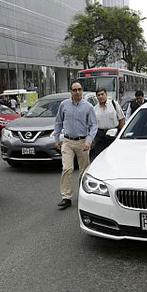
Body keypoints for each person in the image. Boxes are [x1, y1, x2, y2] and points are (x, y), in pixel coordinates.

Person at [54, 81, 97, 210]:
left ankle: (84, 195)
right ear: (71, 91)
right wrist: (56, 138)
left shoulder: (88, 107)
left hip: (82, 142)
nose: (77, 92)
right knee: (67, 169)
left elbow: (94, 125)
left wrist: (88, 141)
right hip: (67, 142)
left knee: (84, 171)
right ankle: (66, 197)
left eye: (79, 89)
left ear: (82, 90)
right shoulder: (64, 105)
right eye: (74, 90)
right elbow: (58, 122)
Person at [91, 88, 125, 161]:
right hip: (100, 136)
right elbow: (93, 125)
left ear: (106, 94)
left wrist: (121, 134)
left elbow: (121, 119)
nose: (100, 96)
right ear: (96, 97)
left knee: (114, 156)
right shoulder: (94, 109)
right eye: (98, 95)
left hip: (113, 134)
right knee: (100, 158)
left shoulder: (114, 104)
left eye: (102, 94)